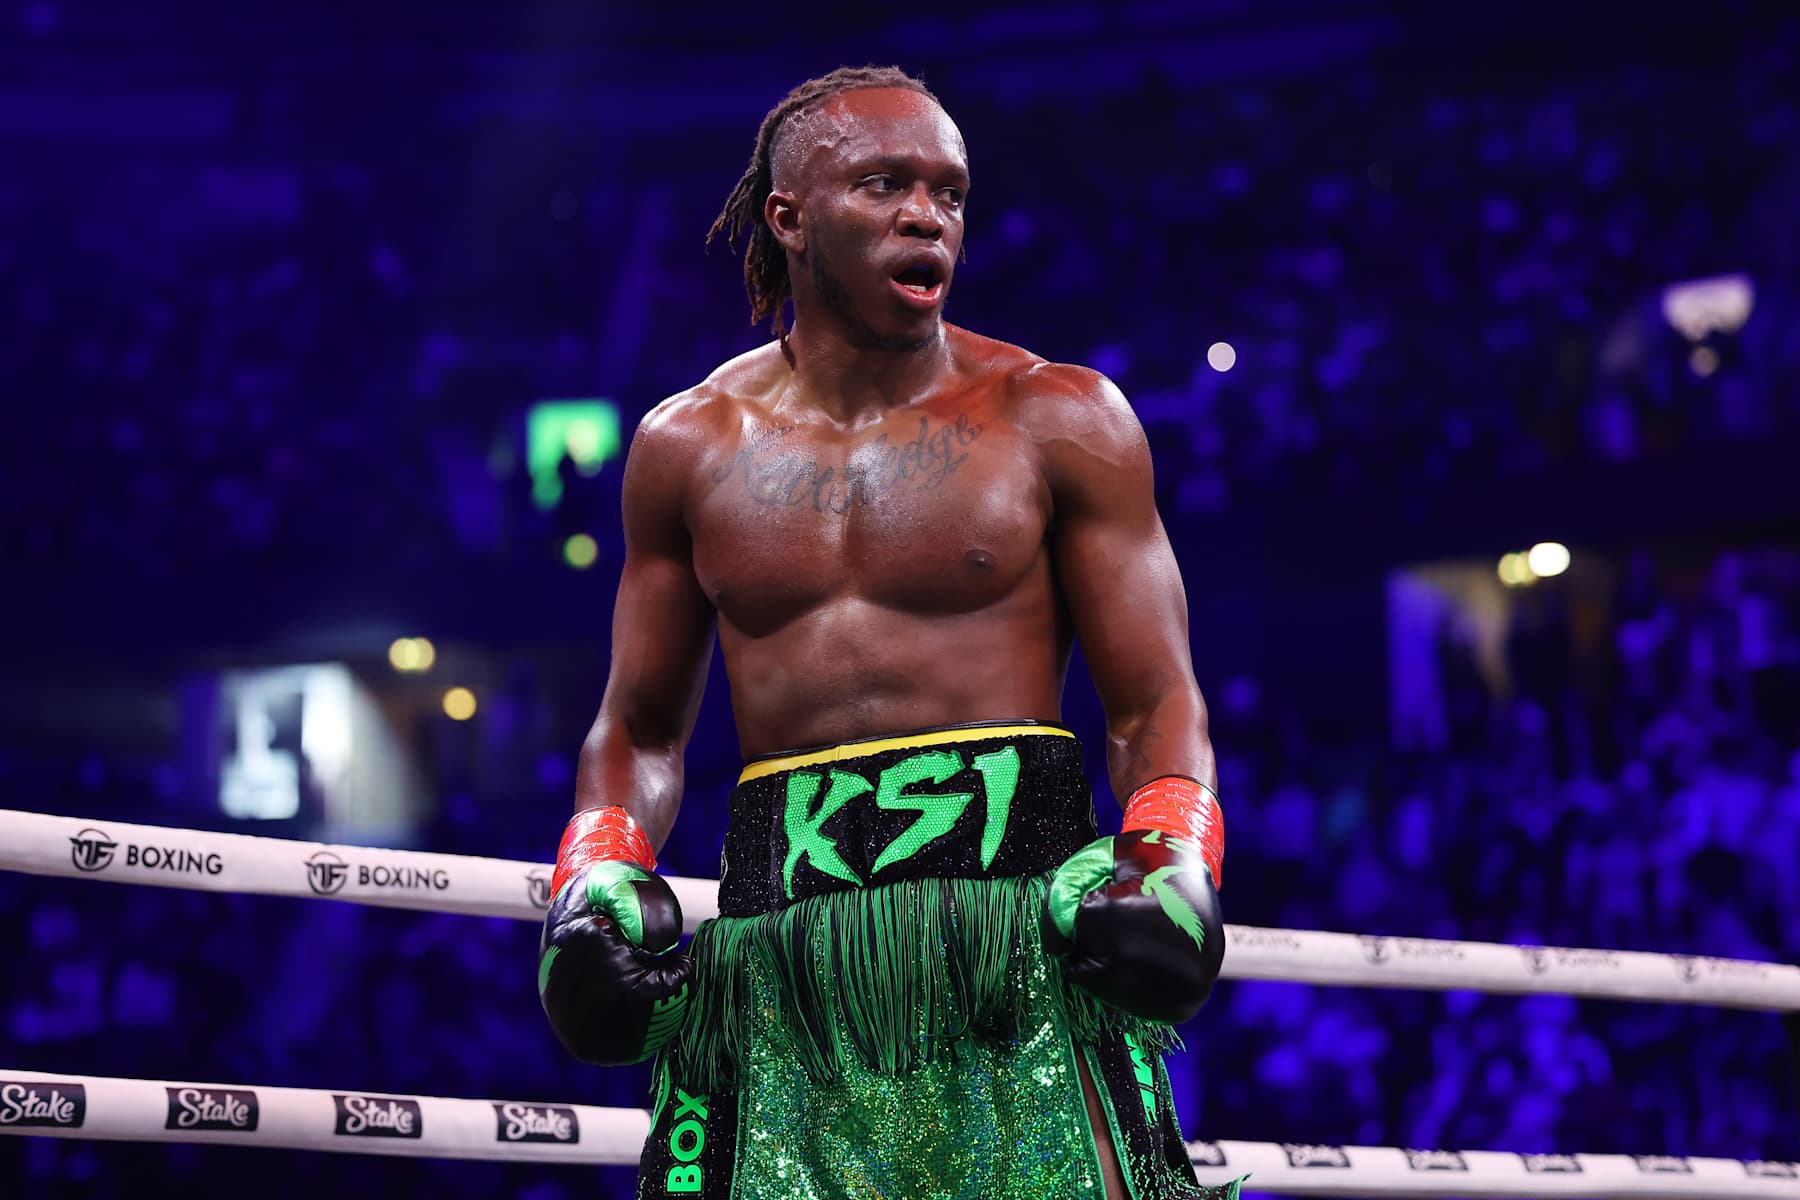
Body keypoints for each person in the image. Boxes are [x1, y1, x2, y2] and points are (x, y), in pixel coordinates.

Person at [536, 65, 1238, 1199]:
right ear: (790, 217)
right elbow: (641, 727)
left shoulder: (1058, 417)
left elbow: (1155, 699)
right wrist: (596, 873)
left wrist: (1172, 854)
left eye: (949, 193)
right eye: (885, 185)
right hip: (782, 964)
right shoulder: (688, 446)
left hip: (1020, 948)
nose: (929, 215)